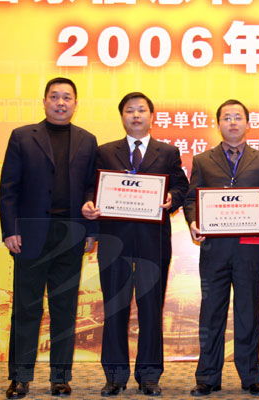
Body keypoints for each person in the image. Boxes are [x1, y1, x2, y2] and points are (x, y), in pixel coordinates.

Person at [81, 92, 188, 397]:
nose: (136, 115)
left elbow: (181, 185)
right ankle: (115, 376)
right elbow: (91, 187)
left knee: (151, 310)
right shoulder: (105, 151)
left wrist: (172, 198)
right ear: (122, 117)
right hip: (114, 242)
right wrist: (88, 203)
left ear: (151, 116)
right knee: (115, 308)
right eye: (130, 111)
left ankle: (150, 375)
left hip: (153, 243)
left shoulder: (168, 152)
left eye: (142, 110)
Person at [0, 77, 98, 399]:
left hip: (71, 234)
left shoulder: (87, 141)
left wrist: (91, 230)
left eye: (67, 97)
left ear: (75, 104)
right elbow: (8, 188)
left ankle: (60, 377)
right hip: (29, 235)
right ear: (44, 102)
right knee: (26, 308)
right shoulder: (22, 136)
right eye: (54, 96)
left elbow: (92, 188)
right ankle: (20, 377)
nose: (60, 102)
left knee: (65, 309)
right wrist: (10, 229)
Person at [184, 99, 259, 397]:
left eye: (238, 117)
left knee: (248, 313)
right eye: (227, 117)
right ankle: (207, 377)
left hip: (249, 249)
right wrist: (193, 221)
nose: (233, 122)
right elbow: (191, 199)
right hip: (214, 249)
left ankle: (251, 376)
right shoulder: (203, 160)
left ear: (247, 124)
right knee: (211, 313)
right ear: (218, 124)